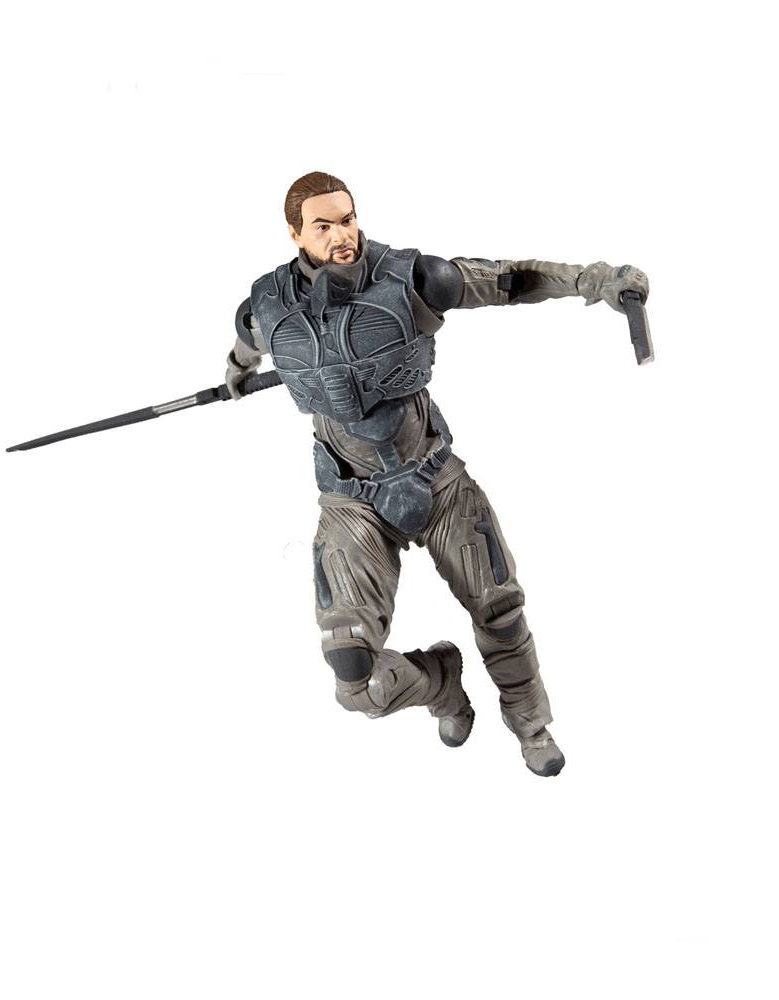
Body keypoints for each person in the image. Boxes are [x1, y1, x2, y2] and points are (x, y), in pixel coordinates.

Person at [225, 172, 649, 776]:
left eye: (348, 219)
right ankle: (440, 685)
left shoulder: (412, 279)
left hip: (433, 477)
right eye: (324, 226)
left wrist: (596, 280)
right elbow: (246, 344)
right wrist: (235, 375)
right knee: (352, 674)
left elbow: (508, 280)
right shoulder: (268, 307)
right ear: (295, 233)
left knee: (499, 610)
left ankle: (530, 724)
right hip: (350, 498)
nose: (343, 235)